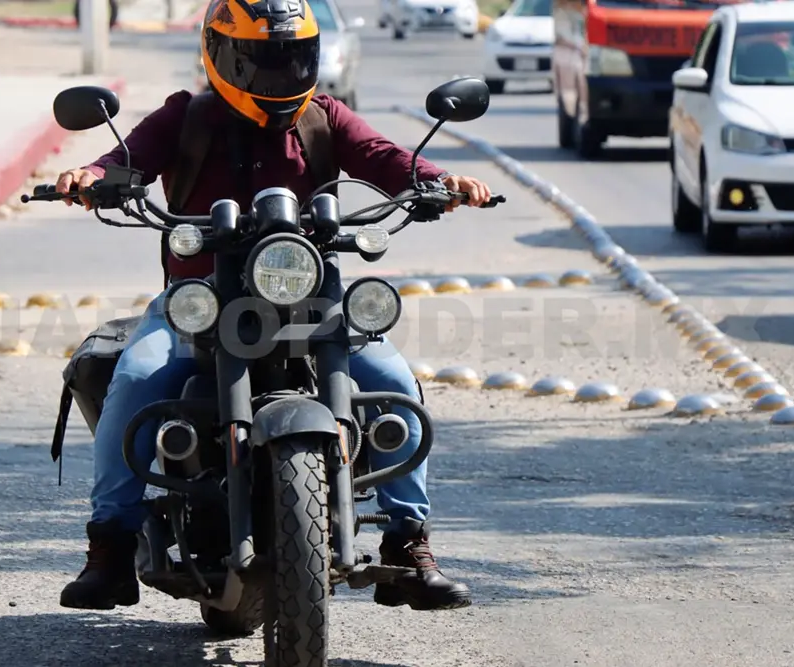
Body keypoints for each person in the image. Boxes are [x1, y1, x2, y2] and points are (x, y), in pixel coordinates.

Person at [55, 0, 494, 615]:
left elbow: (391, 160)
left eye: (293, 56)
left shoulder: (324, 119)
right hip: (199, 303)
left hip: (314, 299)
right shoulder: (185, 117)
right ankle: (108, 549)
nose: (280, 72)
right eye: (262, 59)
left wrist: (440, 182)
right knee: (133, 379)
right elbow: (126, 159)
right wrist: (90, 174)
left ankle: (409, 544)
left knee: (396, 384)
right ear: (223, 55)